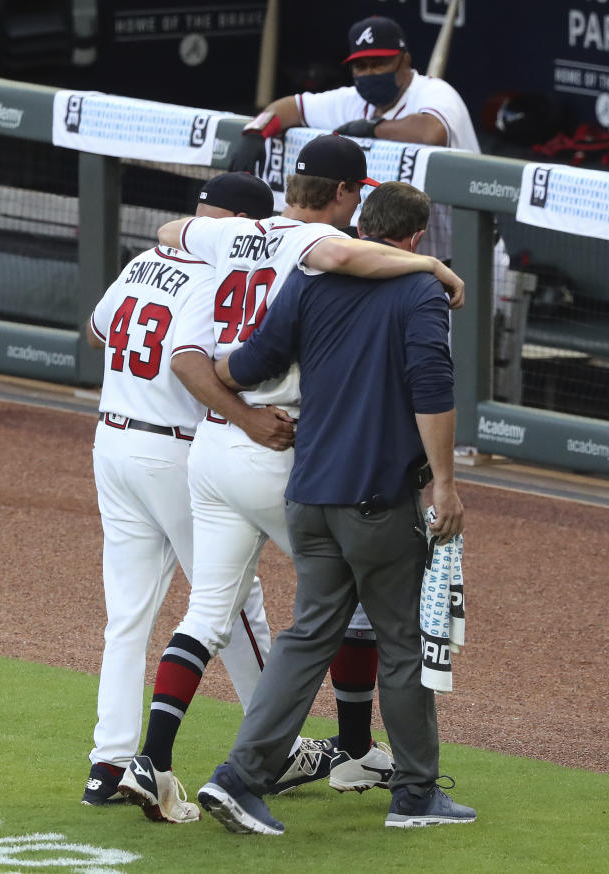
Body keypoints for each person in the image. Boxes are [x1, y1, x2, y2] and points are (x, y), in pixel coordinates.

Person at [117, 136, 465, 821]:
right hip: (323, 469)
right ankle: (390, 775)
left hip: (248, 463)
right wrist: (445, 483)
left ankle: (195, 767)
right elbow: (430, 385)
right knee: (384, 625)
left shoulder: (250, 246)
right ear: (346, 199)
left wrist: (235, 407)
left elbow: (219, 357)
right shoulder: (340, 260)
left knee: (263, 622)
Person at [196, 180, 476, 834]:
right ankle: (414, 795)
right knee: (402, 643)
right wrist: (444, 484)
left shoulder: (313, 281)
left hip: (308, 495)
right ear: (415, 239)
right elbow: (432, 388)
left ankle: (240, 775)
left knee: (306, 637)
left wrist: (216, 375)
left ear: (363, 224)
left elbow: (256, 362)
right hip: (376, 499)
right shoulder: (419, 291)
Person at [81, 172, 288, 819]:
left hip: (112, 441)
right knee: (229, 602)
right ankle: (269, 750)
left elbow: (97, 330)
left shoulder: (148, 258)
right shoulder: (217, 273)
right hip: (172, 450)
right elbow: (194, 361)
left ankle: (108, 762)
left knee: (128, 617)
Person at [230, 14, 480, 262]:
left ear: (405, 60)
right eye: (361, 65)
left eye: (379, 62)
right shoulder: (351, 100)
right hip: (400, 257)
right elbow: (291, 107)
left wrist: (373, 129)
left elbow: (431, 131)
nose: (369, 72)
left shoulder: (435, 92)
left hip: (466, 251)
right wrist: (256, 130)